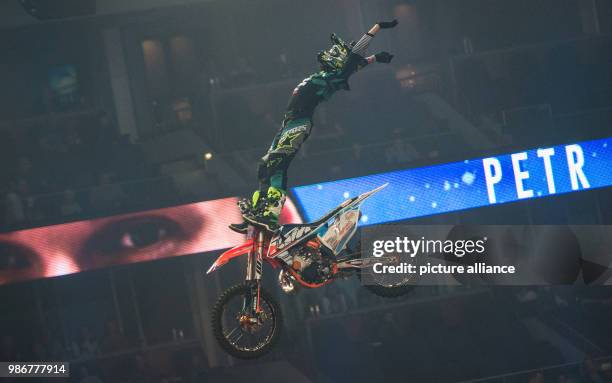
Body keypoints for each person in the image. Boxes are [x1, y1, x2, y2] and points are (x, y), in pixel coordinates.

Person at [230, 20, 399, 233]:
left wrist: (376, 28)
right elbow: (354, 63)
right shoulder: (322, 77)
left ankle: (271, 216)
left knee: (277, 163)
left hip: (298, 124)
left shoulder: (331, 78)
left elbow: (353, 58)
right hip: (288, 124)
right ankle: (258, 213)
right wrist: (375, 59)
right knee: (265, 166)